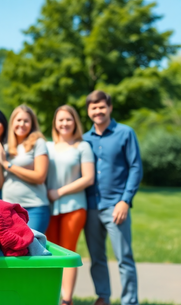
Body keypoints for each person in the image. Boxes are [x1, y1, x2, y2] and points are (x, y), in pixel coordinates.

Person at [82, 90, 142, 305]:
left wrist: (125, 200)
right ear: (88, 111)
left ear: (110, 108)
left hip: (116, 206)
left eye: (102, 107)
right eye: (93, 107)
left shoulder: (126, 133)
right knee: (96, 258)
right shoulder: (83, 139)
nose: (98, 111)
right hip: (89, 207)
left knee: (124, 258)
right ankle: (103, 297)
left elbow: (135, 167)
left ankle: (129, 301)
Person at [45, 105, 95, 305]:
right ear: (55, 123)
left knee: (68, 250)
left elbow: (89, 178)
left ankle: (67, 300)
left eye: (68, 119)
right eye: (60, 120)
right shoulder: (47, 147)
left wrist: (60, 192)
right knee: (51, 254)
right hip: (49, 208)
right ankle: (52, 296)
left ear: (75, 122)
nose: (64, 123)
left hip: (74, 207)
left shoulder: (83, 146)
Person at [0, 105, 50, 233]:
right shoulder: (6, 147)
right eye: (18, 120)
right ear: (12, 122)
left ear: (32, 124)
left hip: (34, 208)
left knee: (31, 249)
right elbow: (1, 183)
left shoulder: (38, 143)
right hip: (9, 208)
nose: (22, 124)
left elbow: (40, 177)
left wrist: (8, 165)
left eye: (26, 121)